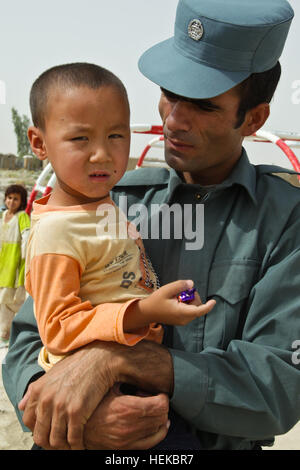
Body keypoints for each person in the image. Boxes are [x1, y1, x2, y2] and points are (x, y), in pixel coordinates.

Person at [3, 0, 300, 451]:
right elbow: (30, 338)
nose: (174, 119)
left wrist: (118, 360)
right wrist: (78, 420)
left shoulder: (284, 221)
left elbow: (279, 385)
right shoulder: (107, 197)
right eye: (170, 92)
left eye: (202, 104)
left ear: (254, 118)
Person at [24, 62, 214, 373]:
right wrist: (142, 312)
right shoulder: (55, 233)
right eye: (80, 139)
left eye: (115, 135)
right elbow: (57, 330)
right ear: (39, 143)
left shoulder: (103, 205)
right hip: (92, 385)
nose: (102, 154)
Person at [0, 185, 30, 348]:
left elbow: (26, 235)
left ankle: (6, 335)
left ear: (22, 201)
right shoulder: (3, 215)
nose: (11, 201)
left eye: (16, 198)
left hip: (14, 262)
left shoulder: (22, 216)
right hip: (2, 261)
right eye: (9, 197)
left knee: (8, 300)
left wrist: (24, 257)